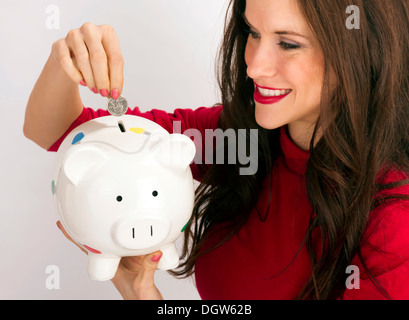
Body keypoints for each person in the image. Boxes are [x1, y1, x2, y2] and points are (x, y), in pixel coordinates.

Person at [23, 0, 409, 300]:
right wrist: (66, 61)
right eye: (252, 32)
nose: (254, 66)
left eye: (288, 44)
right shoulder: (238, 139)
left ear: (360, 51)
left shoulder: (394, 218)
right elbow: (64, 132)